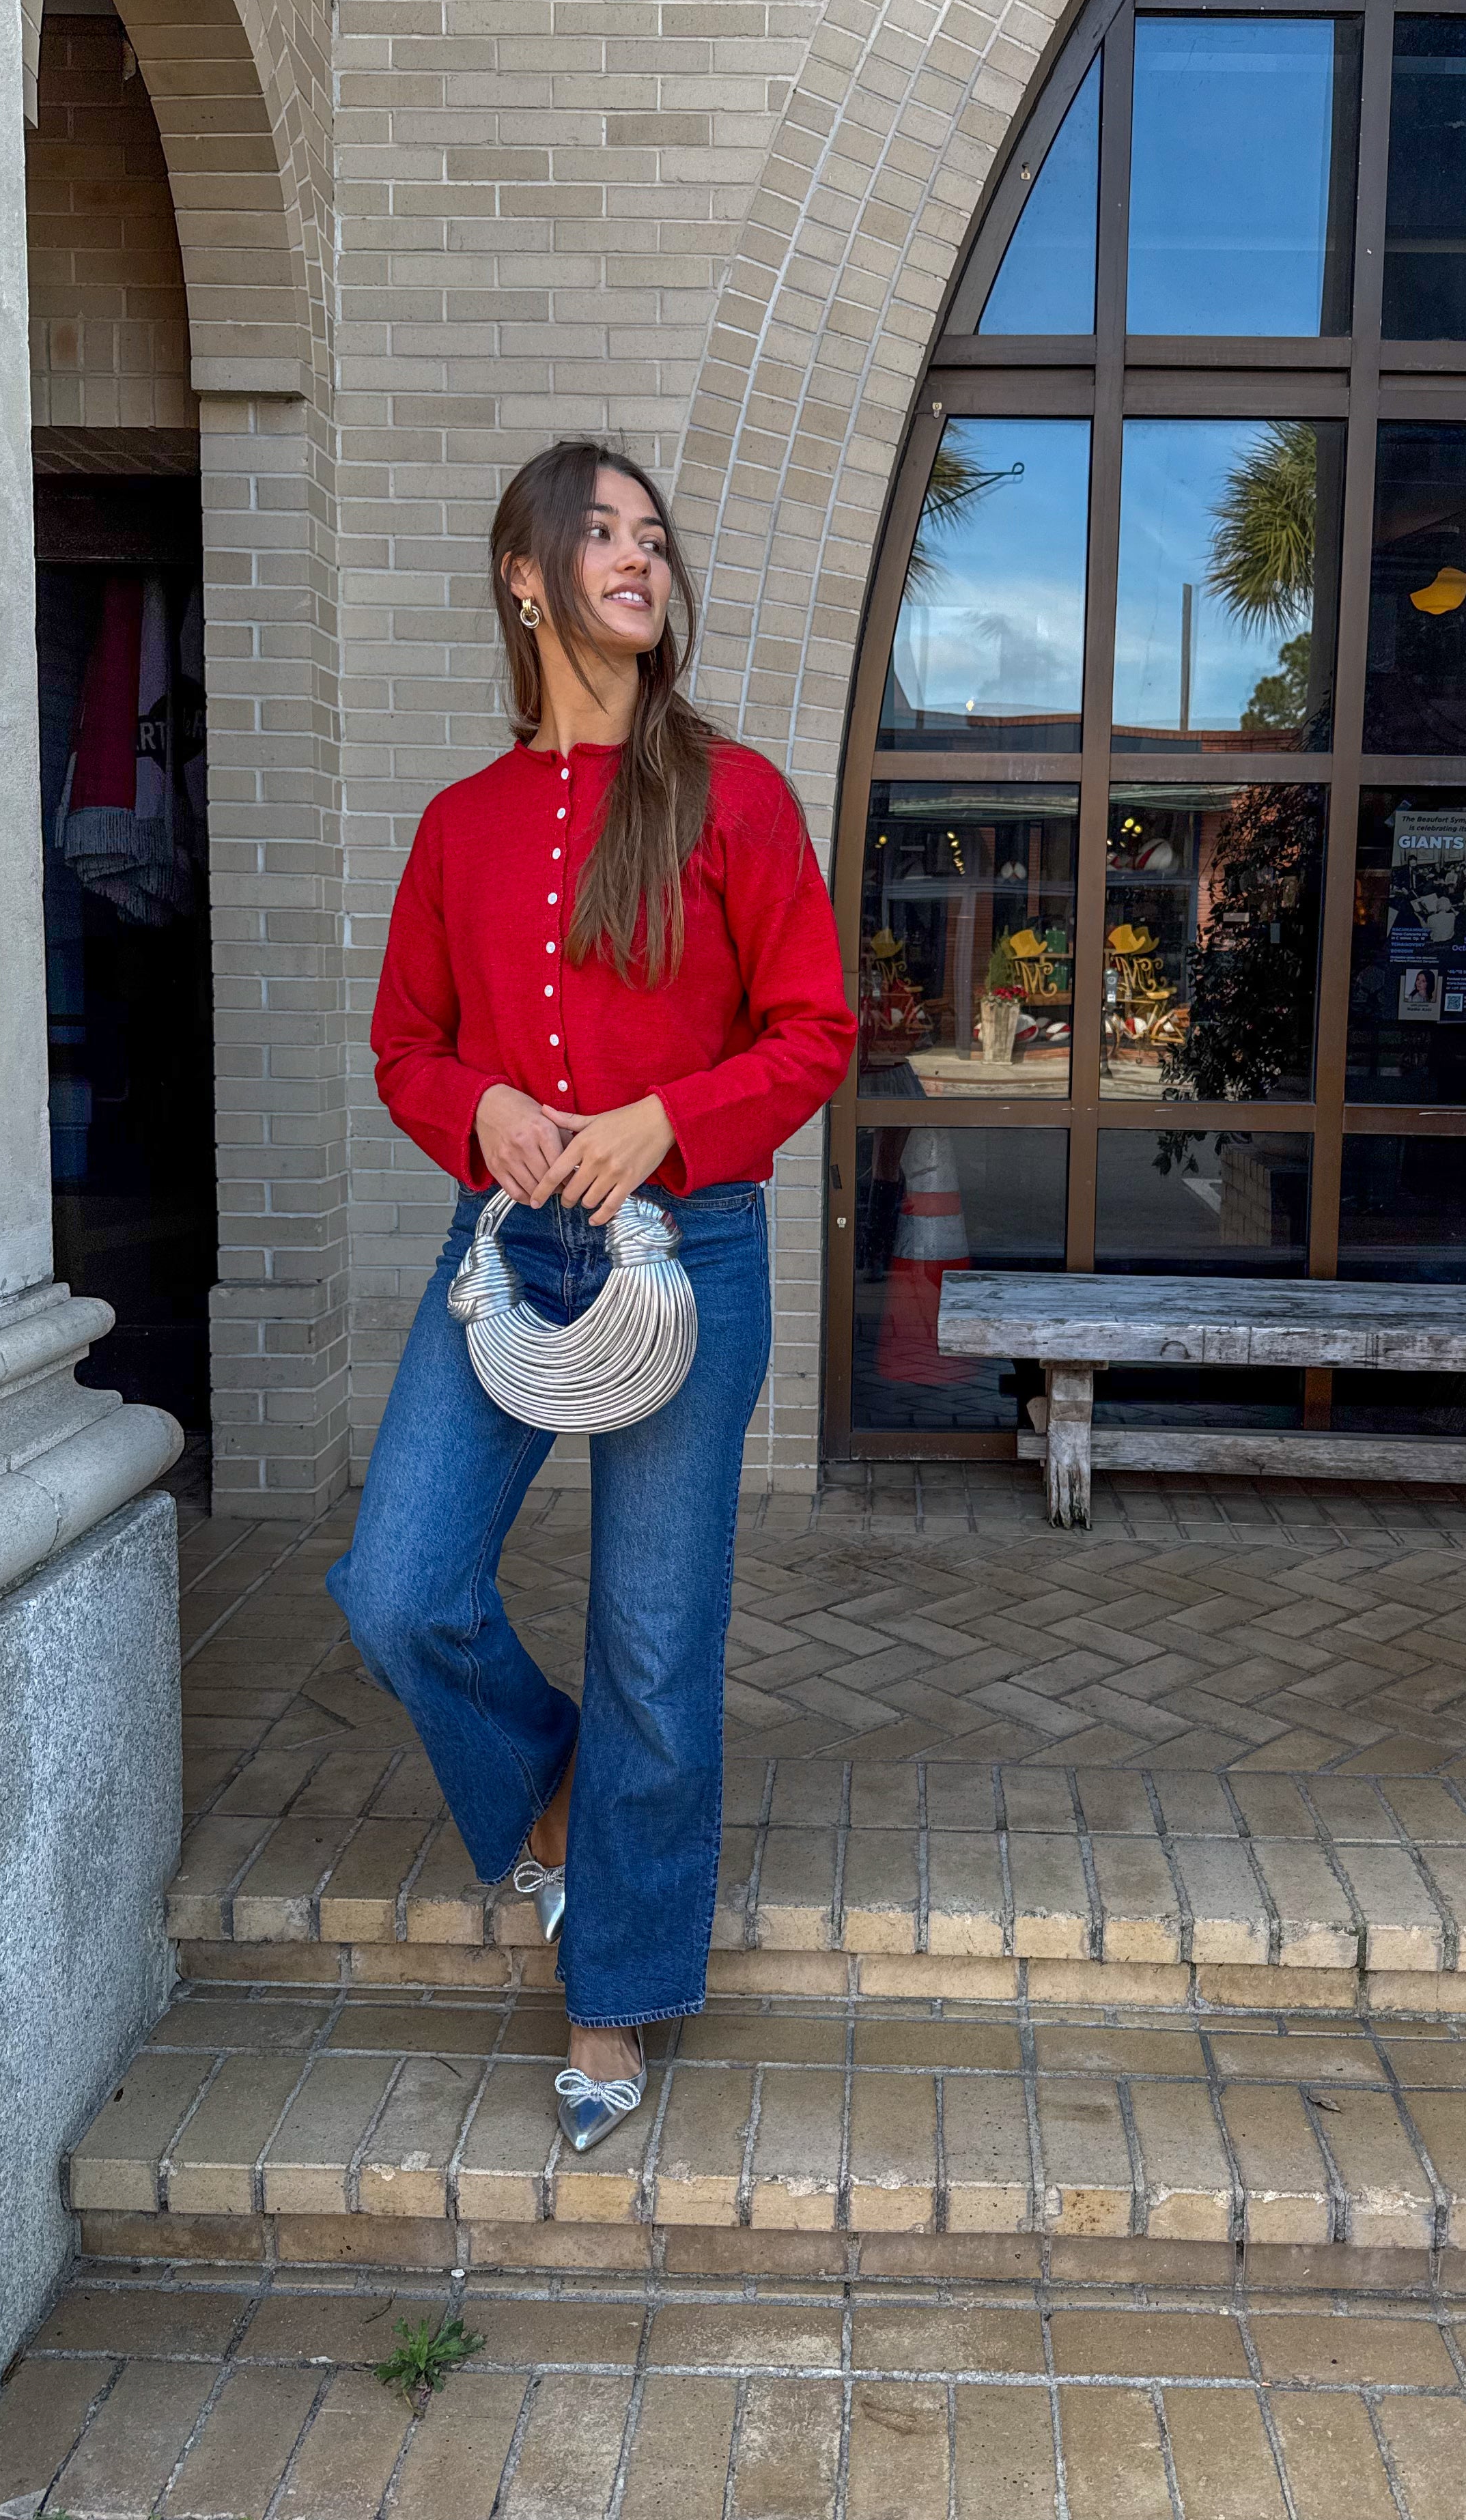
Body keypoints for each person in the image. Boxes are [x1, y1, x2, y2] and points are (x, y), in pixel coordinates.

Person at [326, 440, 856, 2149]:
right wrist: (475, 1108)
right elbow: (409, 1044)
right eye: (601, 534)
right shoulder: (463, 826)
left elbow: (815, 1036)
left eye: (653, 536)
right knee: (401, 1584)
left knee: (653, 1639)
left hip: (687, 1253)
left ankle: (617, 1990)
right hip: (505, 1251)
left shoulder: (737, 800)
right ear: (527, 577)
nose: (638, 558)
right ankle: (554, 1792)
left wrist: (665, 1124)